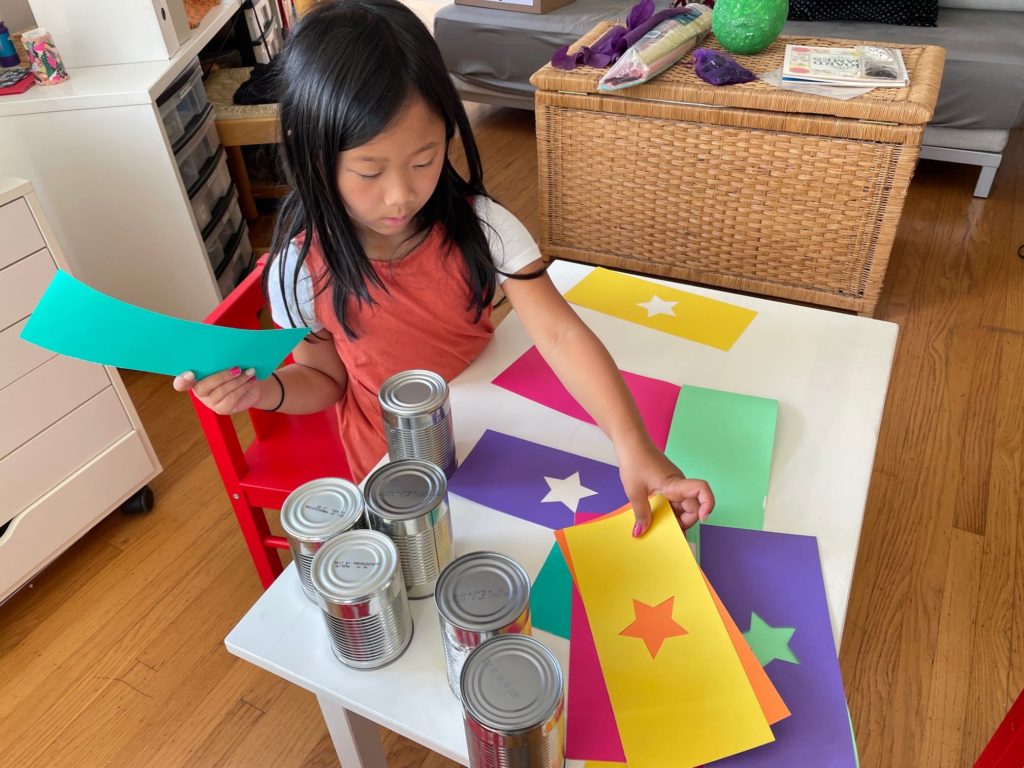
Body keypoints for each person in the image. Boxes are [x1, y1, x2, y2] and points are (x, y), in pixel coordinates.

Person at [174, 0, 713, 536]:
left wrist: (633, 444)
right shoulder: (298, 268)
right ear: (314, 157)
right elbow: (324, 380)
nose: (401, 194)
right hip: (393, 472)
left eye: (424, 159)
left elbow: (560, 333)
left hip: (495, 432)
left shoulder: (483, 226)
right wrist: (261, 392)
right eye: (369, 171)